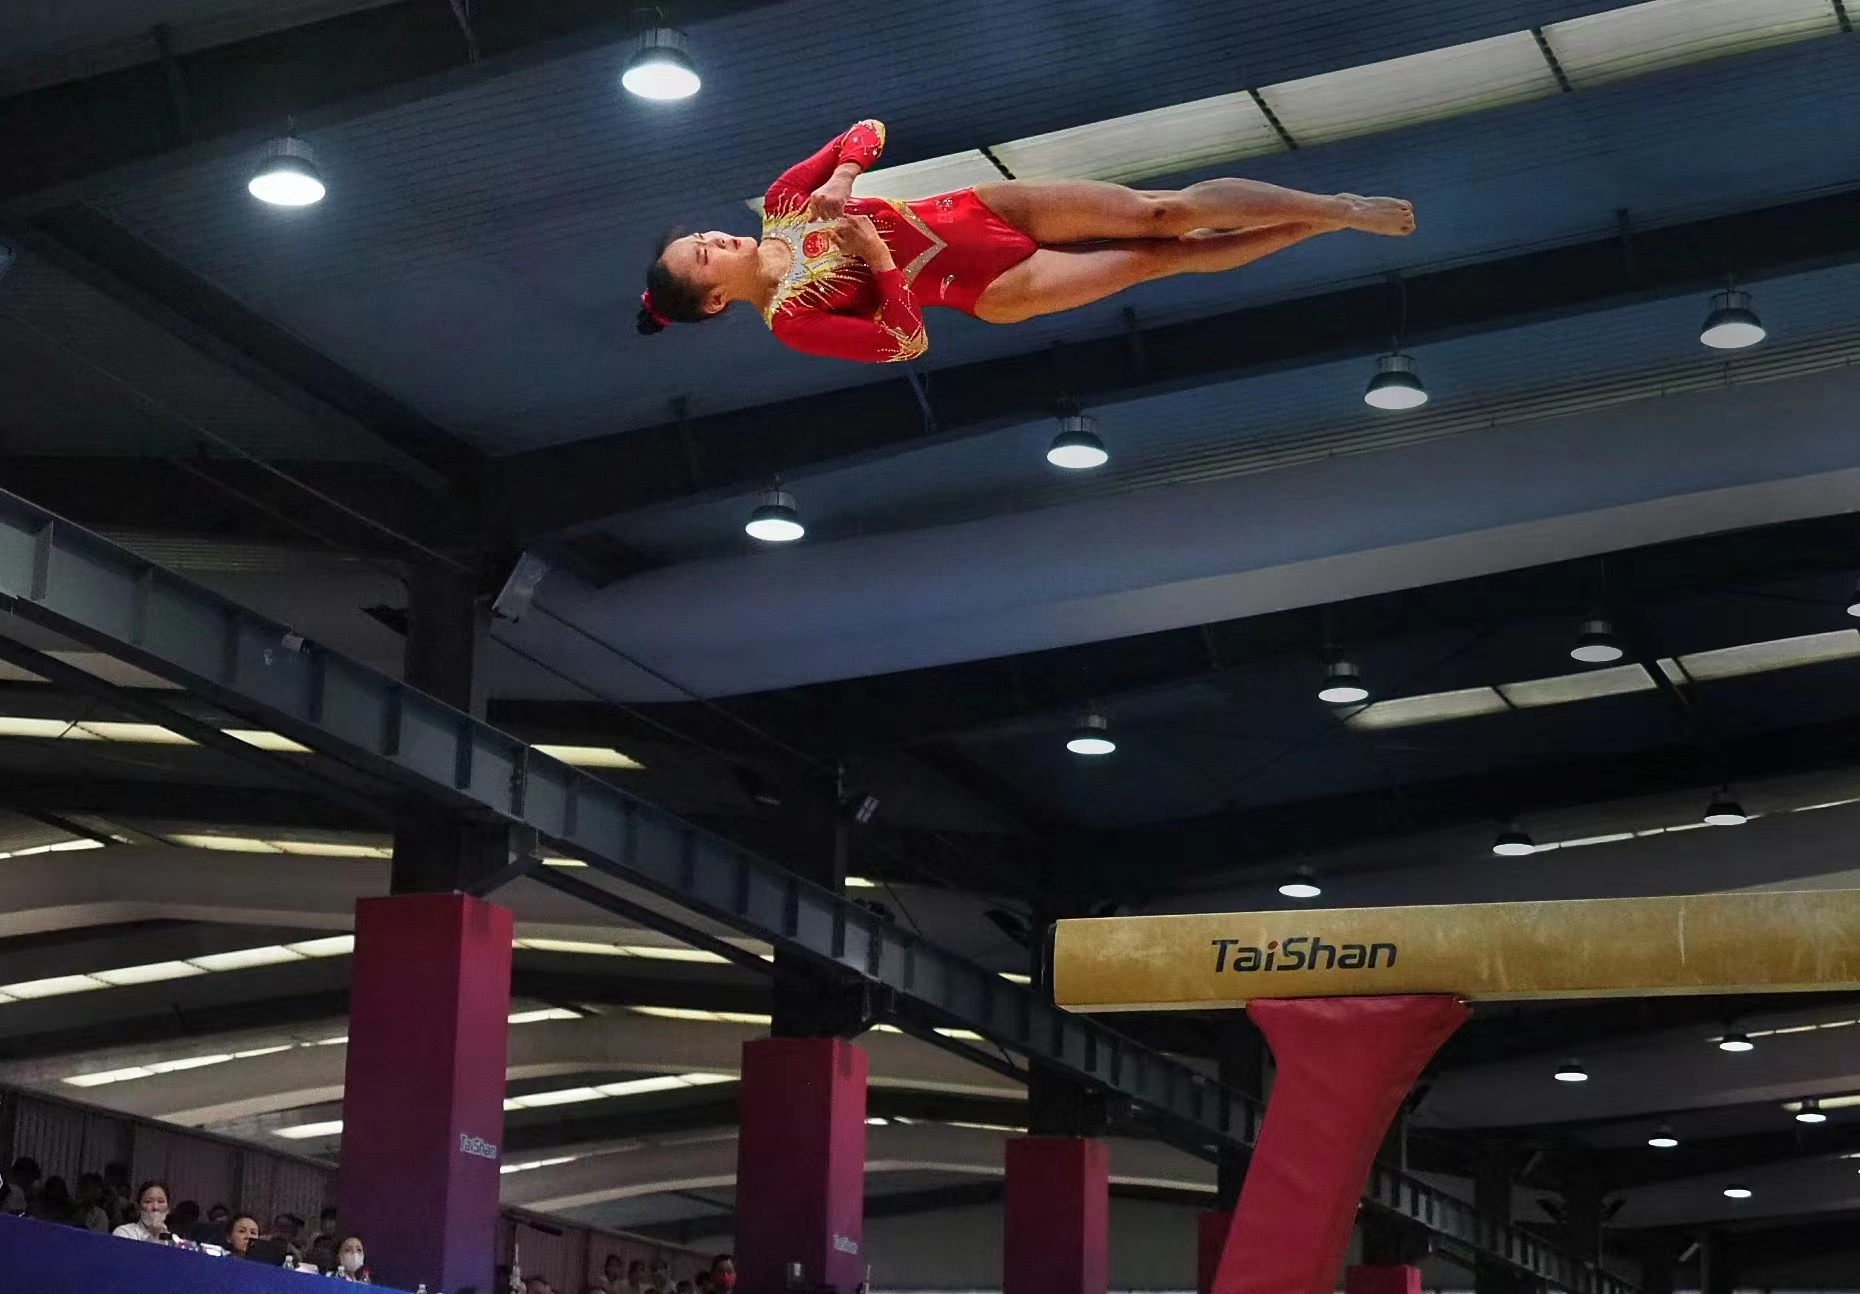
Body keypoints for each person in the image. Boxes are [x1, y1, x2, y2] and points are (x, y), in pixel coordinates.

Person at [638, 119, 1413, 364]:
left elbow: (866, 129)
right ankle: (1327, 222)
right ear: (715, 300)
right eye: (706, 255)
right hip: (991, 289)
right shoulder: (793, 324)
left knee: (1160, 213)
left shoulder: (785, 203)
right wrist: (875, 259)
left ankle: (1330, 205)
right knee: (1165, 257)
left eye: (703, 234)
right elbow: (905, 344)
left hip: (978, 211)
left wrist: (842, 177)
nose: (717, 237)